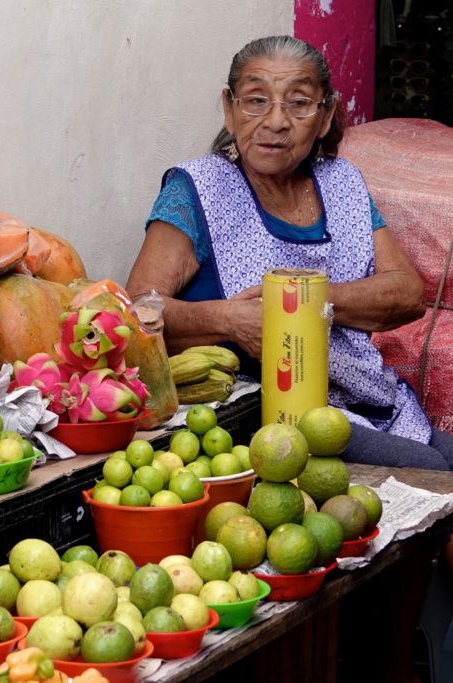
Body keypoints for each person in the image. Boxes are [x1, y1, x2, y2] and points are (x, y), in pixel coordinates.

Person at [126, 35, 453, 471]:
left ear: (325, 116)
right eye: (256, 100)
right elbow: (134, 316)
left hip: (373, 397)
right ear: (229, 108)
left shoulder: (343, 183)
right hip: (271, 418)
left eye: (299, 103)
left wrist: (298, 303)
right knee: (438, 480)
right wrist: (226, 319)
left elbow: (406, 293)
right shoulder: (197, 189)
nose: (276, 121)